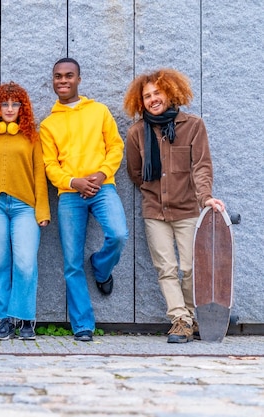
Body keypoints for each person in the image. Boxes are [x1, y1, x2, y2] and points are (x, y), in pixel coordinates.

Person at [123, 68, 225, 343]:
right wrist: (152, 191)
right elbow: (135, 172)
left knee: (192, 267)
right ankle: (180, 320)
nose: (153, 99)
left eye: (158, 92)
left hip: (188, 209)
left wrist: (206, 198)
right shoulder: (136, 133)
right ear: (140, 101)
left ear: (170, 92)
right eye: (147, 96)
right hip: (155, 212)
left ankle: (191, 317)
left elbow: (201, 167)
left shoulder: (193, 126)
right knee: (165, 269)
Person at [40, 58, 129, 342]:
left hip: (102, 188)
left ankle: (101, 268)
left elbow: (115, 146)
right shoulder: (48, 124)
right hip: (69, 195)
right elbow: (49, 165)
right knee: (71, 262)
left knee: (118, 234)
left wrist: (101, 175)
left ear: (79, 79)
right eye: (57, 76)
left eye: (68, 76)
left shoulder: (99, 111)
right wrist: (72, 181)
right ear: (52, 81)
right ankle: (83, 324)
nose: (63, 81)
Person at [0, 82, 50, 341]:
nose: (9, 108)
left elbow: (40, 175)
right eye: (4, 104)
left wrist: (42, 210)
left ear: (22, 108)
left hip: (25, 206)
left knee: (25, 261)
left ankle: (25, 318)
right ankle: (3, 319)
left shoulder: (32, 137)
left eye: (14, 104)